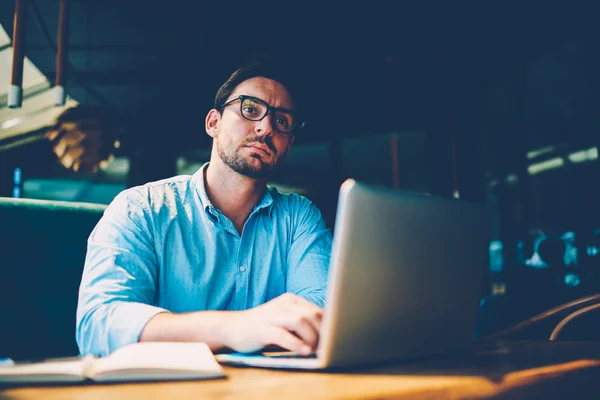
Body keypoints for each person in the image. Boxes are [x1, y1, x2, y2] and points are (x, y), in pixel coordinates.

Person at [76, 59, 332, 357]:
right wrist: (232, 328)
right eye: (250, 110)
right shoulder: (140, 208)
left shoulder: (299, 217)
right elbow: (99, 324)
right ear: (214, 123)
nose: (265, 128)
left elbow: (324, 312)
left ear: (289, 143)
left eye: (282, 122)